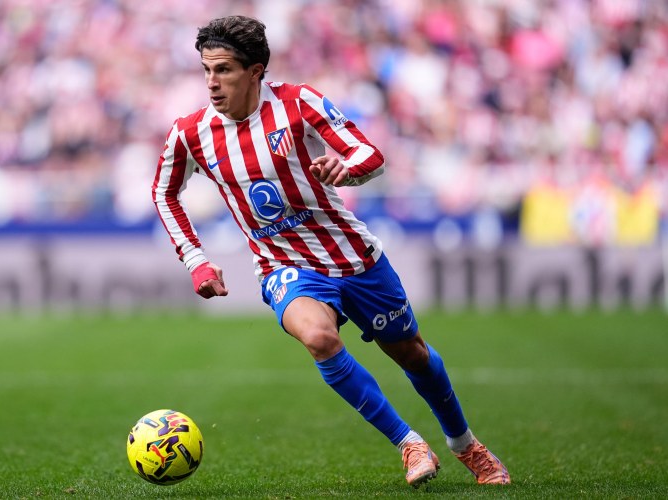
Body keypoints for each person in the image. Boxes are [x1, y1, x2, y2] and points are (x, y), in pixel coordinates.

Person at [152, 15, 510, 487]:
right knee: (319, 338)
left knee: (413, 355)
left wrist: (346, 169)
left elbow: (369, 155)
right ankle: (408, 443)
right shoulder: (191, 132)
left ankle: (465, 444)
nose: (211, 82)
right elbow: (164, 192)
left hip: (352, 256)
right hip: (283, 264)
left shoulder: (299, 102)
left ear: (255, 71)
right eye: (206, 70)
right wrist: (196, 259)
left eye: (223, 70)